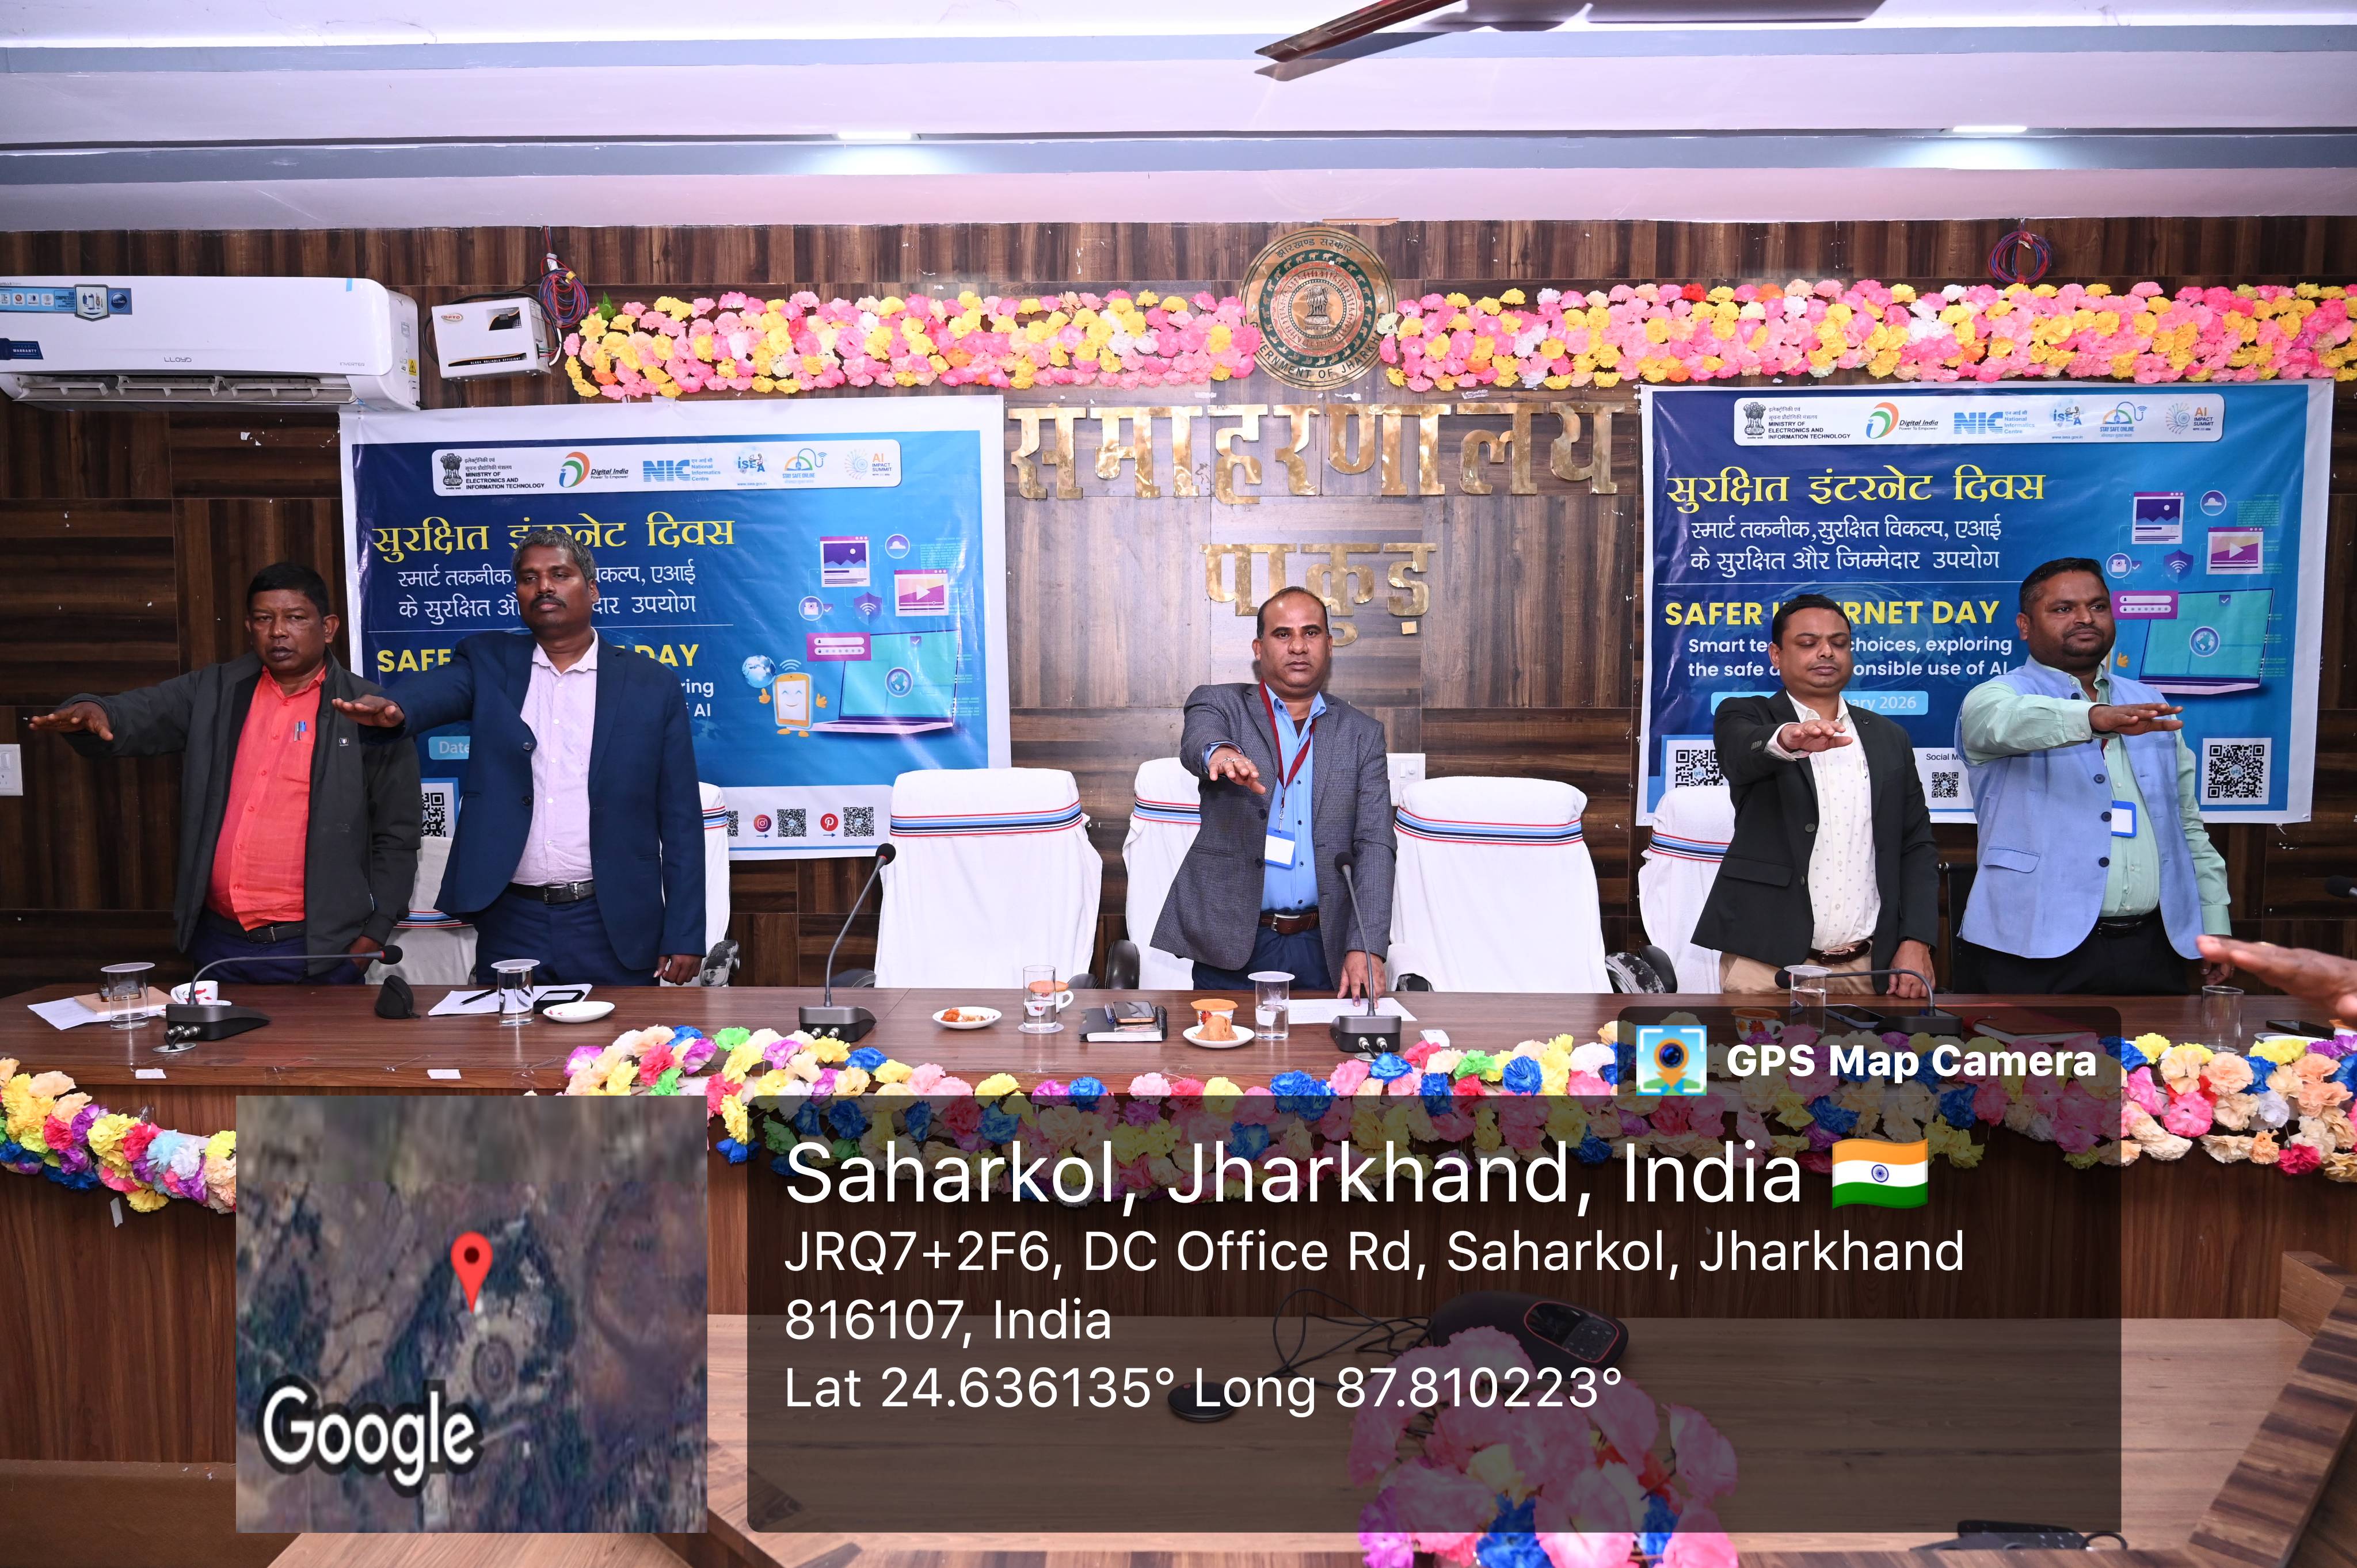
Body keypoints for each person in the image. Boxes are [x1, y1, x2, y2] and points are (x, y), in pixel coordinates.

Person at [333, 528, 705, 987]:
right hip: (513, 919)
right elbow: (437, 691)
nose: (544, 586)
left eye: (560, 574)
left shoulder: (651, 684)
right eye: (529, 578)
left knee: (618, 1037)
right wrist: (396, 708)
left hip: (613, 919)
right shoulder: (489, 661)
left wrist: (685, 931)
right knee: (507, 1035)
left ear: (592, 590)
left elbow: (681, 819)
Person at [31, 562, 420, 983]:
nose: (278, 632)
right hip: (218, 945)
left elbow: (397, 834)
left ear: (327, 628)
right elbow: (140, 713)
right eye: (264, 618)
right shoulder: (214, 691)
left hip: (320, 950)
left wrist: (371, 939)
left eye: (295, 617)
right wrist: (95, 710)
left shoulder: (369, 710)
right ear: (249, 626)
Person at [1955, 557, 2232, 994]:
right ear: (2025, 626)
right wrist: (2095, 717)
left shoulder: (2148, 701)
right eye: (2063, 609)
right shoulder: (1995, 698)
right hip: (2032, 948)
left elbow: (2186, 825)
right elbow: (2005, 722)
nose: (2085, 618)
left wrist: (2214, 922)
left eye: (2098, 606)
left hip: (2153, 947)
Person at [1152, 586, 1395, 998]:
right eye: (1283, 634)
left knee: (1324, 1044)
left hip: (1325, 947)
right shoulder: (1221, 704)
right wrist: (1221, 753)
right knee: (1222, 1043)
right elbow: (1200, 739)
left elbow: (1374, 844)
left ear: (1329, 645)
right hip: (1232, 942)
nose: (1298, 646)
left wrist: (1367, 944)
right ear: (1259, 647)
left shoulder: (1362, 734)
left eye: (1311, 633)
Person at [1695, 594, 1938, 997]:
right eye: (1808, 643)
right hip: (1766, 965)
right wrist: (1786, 739)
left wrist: (1917, 939)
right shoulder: (1745, 715)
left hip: (1869, 969)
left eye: (1839, 643)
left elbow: (1916, 844)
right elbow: (1741, 754)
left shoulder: (1889, 736)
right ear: (1776, 655)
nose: (1826, 652)